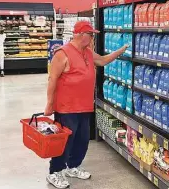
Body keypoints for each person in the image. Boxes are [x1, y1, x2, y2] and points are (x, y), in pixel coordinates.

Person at [44, 20, 128, 189]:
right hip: (67, 108)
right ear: (81, 35)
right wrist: (50, 103)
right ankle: (55, 172)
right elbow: (52, 79)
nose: (92, 38)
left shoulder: (88, 52)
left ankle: (73, 167)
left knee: (82, 140)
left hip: (85, 106)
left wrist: (122, 49)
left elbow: (103, 61)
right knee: (65, 141)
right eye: (90, 35)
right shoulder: (62, 53)